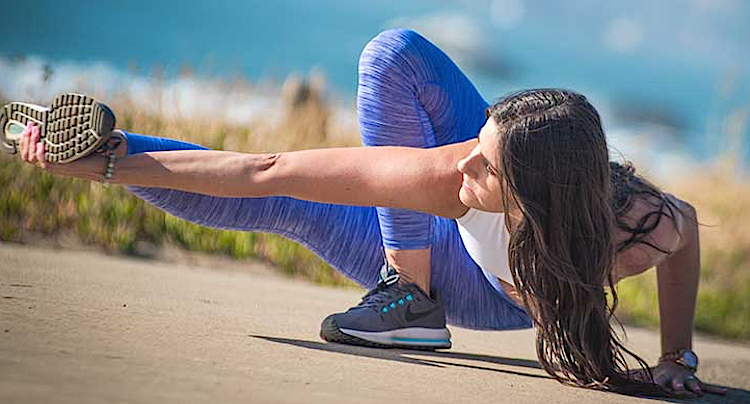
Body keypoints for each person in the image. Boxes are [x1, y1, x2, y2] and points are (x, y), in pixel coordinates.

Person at [2, 29, 723, 397]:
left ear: (535, 199)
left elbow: (684, 235)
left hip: (480, 291)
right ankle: (113, 146)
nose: (462, 159)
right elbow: (263, 169)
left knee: (299, 204)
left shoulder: (635, 228)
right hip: (448, 248)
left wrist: (676, 357)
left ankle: (420, 296)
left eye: (485, 162)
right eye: (477, 142)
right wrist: (105, 166)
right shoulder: (451, 173)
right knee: (300, 179)